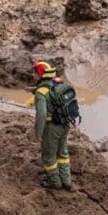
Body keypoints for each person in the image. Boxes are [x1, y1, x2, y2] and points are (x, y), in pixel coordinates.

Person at [33, 60, 73, 191]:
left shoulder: (41, 92)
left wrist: (38, 133)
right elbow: (49, 91)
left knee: (48, 156)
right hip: (65, 124)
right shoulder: (59, 84)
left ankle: (55, 183)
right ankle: (67, 181)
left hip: (52, 127)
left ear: (40, 75)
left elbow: (42, 113)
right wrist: (34, 90)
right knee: (62, 153)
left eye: (35, 72)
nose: (33, 75)